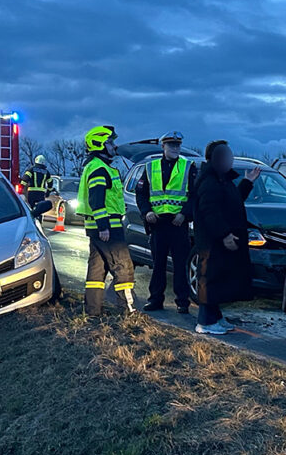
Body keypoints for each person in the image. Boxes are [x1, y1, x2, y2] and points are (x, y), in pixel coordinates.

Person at [193, 140, 261, 335]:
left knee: (220, 279)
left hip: (222, 242)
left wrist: (247, 182)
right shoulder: (209, 181)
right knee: (210, 278)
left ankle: (215, 317)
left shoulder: (223, 179)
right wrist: (224, 234)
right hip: (212, 243)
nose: (230, 159)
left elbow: (233, 201)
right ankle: (204, 322)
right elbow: (210, 211)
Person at [76, 125, 136, 316]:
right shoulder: (99, 169)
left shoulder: (96, 167)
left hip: (99, 227)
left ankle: (93, 311)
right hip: (108, 227)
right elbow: (96, 200)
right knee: (123, 267)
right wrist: (104, 227)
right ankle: (128, 310)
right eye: (110, 142)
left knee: (97, 269)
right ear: (99, 144)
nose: (114, 146)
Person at [136, 131, 196, 314]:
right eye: (171, 145)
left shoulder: (188, 166)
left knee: (180, 265)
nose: (175, 148)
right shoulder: (150, 166)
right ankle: (155, 299)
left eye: (178, 145)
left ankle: (182, 302)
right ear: (163, 147)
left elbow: (195, 195)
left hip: (178, 224)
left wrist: (184, 214)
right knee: (158, 265)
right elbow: (141, 194)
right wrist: (147, 213)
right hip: (158, 224)